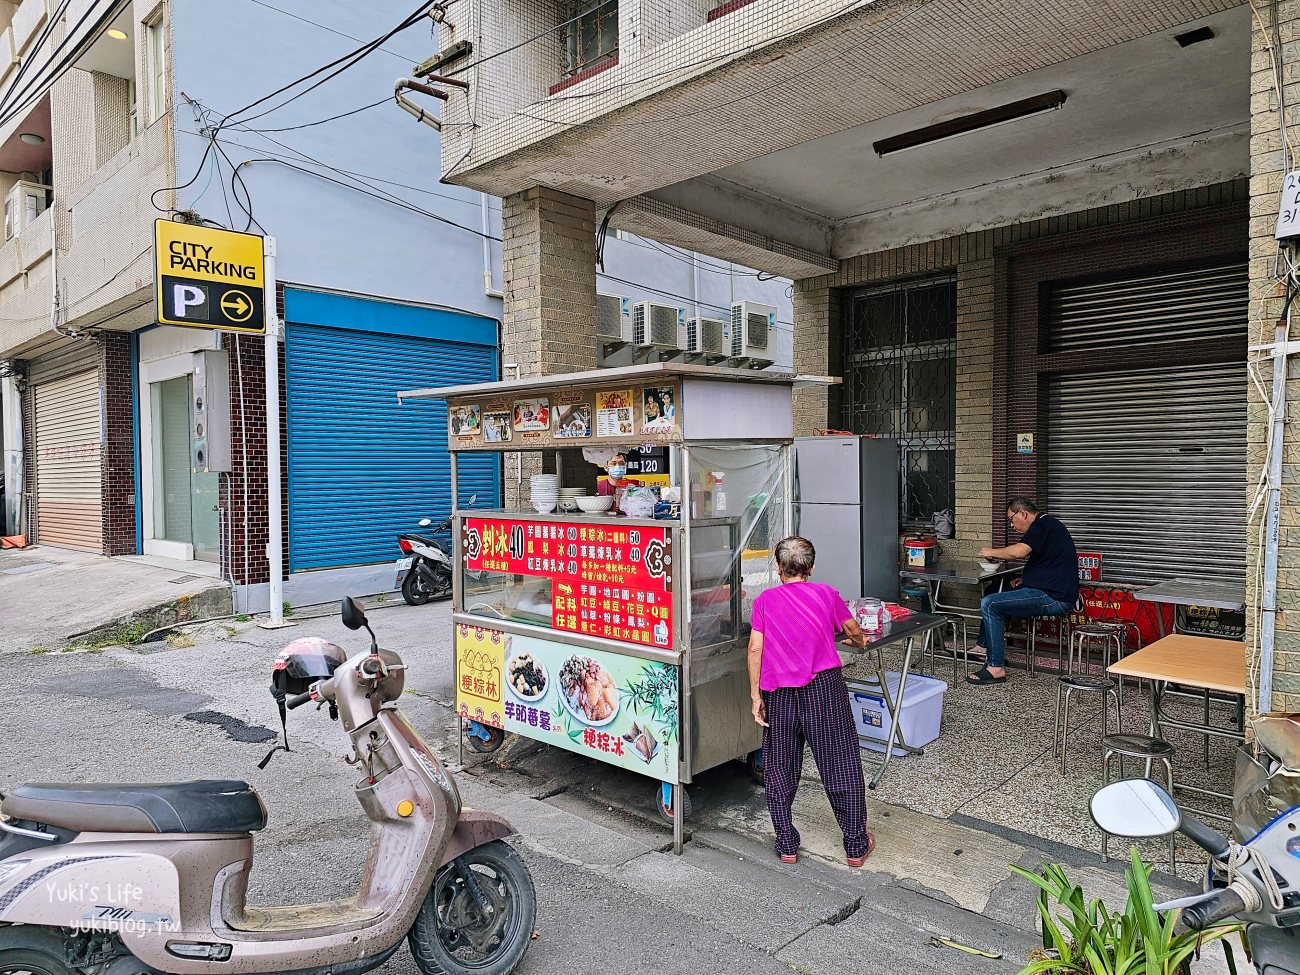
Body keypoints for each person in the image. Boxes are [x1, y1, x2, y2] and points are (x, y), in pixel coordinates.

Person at [747, 536, 873, 867]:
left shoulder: (764, 601)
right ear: (811, 567)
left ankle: (787, 842)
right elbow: (854, 629)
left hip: (779, 694)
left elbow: (756, 649)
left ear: (778, 569)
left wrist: (754, 695)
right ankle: (856, 846)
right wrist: (857, 640)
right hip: (824, 690)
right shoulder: (826, 594)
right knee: (840, 762)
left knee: (780, 765)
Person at [967, 497, 1079, 685]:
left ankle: (995, 667)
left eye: (1011, 519)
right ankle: (982, 647)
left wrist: (990, 551)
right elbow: (1049, 561)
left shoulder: (1043, 525)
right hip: (1046, 589)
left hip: (1054, 597)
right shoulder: (1046, 526)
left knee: (990, 604)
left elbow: (1017, 552)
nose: (1011, 525)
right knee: (994, 590)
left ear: (1023, 513)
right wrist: (1025, 579)